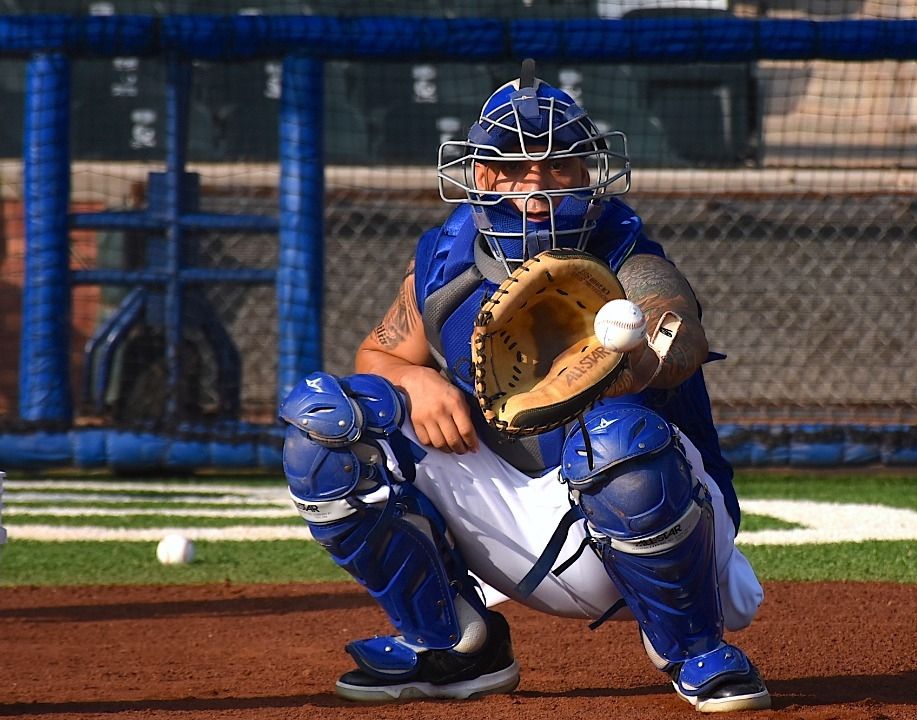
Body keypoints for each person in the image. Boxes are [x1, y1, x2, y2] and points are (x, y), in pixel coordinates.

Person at [278, 63, 770, 713]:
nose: (535, 191)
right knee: (324, 427)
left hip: (659, 519)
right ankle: (455, 648)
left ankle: (695, 649)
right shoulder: (443, 260)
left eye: (558, 165)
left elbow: (674, 328)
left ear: (588, 174)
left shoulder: (626, 252)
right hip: (512, 511)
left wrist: (634, 361)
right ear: (480, 175)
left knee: (617, 439)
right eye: (512, 165)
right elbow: (379, 352)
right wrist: (414, 378)